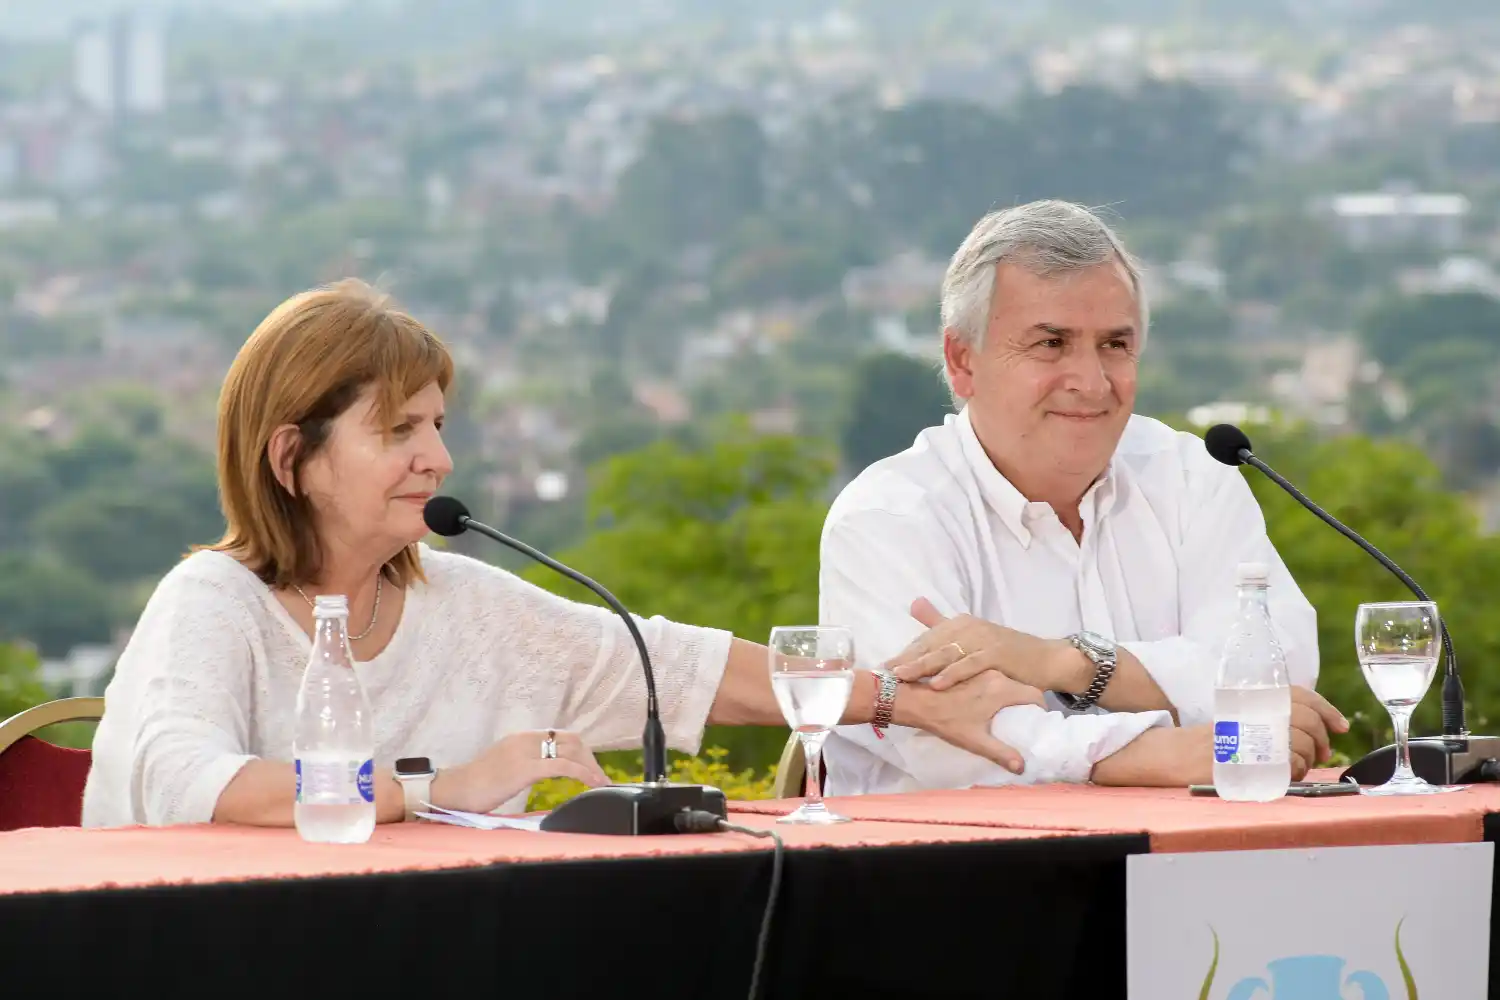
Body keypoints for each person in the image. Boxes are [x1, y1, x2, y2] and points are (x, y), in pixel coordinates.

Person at [82, 280, 1034, 828]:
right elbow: (190, 781)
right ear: (291, 456)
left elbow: (682, 668)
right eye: (399, 431)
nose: (438, 460)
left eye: (439, 426)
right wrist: (438, 790)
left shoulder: (464, 602)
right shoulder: (212, 600)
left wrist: (900, 699)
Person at [818, 200, 1348, 796]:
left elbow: (1277, 675)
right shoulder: (888, 517)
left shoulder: (1191, 475)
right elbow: (949, 739)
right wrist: (1155, 753)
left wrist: (1066, 663)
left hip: (1197, 846)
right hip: (958, 851)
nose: (1092, 382)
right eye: (1051, 344)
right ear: (962, 361)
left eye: (1114, 345)